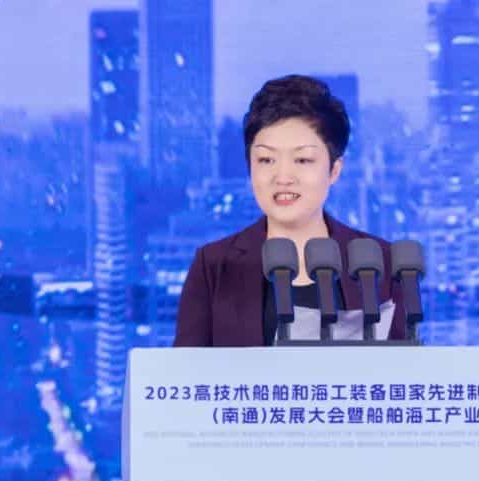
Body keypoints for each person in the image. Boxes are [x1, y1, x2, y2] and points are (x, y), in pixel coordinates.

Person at [173, 74, 406, 347]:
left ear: (334, 170)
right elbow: (185, 370)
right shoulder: (213, 267)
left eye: (302, 160)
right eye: (266, 160)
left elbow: (404, 367)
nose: (283, 177)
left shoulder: (379, 262)